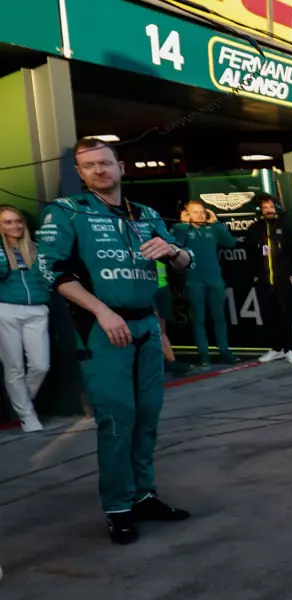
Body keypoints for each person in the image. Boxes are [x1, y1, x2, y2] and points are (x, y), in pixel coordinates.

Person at [36, 137, 193, 543]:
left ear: (121, 167)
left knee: (147, 417)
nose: (98, 171)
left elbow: (183, 262)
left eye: (105, 163)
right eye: (89, 166)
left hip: (146, 326)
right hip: (104, 329)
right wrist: (101, 311)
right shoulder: (67, 213)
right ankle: (118, 506)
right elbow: (54, 273)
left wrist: (173, 250)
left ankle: (144, 495)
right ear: (80, 172)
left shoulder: (146, 214)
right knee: (117, 419)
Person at [0, 206, 52, 432]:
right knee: (14, 367)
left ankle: (21, 402)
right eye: (7, 222)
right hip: (6, 310)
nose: (15, 226)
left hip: (37, 309)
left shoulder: (38, 249)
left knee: (41, 365)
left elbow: (51, 275)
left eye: (18, 221)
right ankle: (27, 416)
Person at [170, 200, 237, 366]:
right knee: (198, 319)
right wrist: (184, 225)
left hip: (215, 279)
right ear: (187, 214)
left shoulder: (212, 229)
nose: (200, 215)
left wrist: (216, 223)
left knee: (219, 317)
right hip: (194, 281)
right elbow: (175, 247)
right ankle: (204, 355)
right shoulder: (180, 229)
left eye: (202, 212)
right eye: (195, 212)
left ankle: (225, 352)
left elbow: (230, 243)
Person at [246, 194, 292, 365]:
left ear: (277, 207)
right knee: (269, 316)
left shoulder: (286, 226)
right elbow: (250, 254)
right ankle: (276, 349)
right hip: (265, 281)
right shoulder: (255, 228)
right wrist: (255, 275)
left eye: (271, 207)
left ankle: (290, 349)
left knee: (286, 315)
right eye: (264, 208)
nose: (268, 210)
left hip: (283, 279)